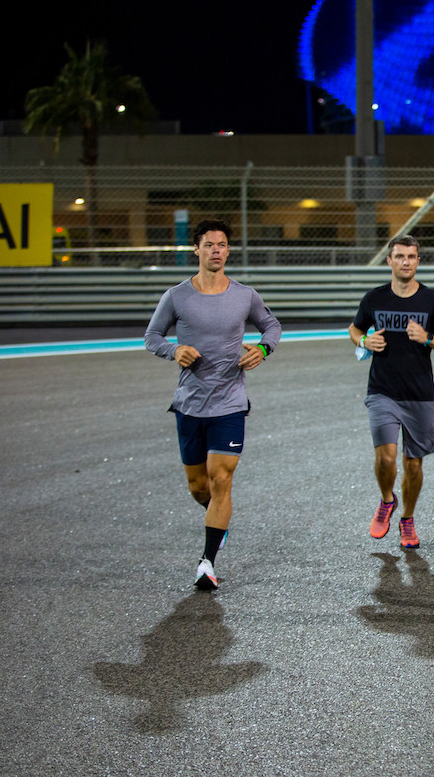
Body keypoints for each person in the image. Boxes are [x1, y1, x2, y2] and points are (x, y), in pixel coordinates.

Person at [145, 219, 282, 591]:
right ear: (197, 249)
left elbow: (272, 327)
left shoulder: (244, 295)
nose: (216, 250)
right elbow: (152, 336)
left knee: (221, 479)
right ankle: (217, 523)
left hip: (230, 403)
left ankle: (207, 562)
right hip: (190, 404)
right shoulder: (177, 296)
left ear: (228, 250)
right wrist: (174, 350)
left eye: (222, 244)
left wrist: (263, 349)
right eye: (209, 245)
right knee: (198, 486)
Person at [349, 234, 434, 549]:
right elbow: (355, 328)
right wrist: (363, 341)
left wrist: (427, 339)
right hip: (382, 390)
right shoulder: (374, 298)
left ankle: (407, 519)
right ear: (390, 261)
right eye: (399, 256)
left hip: (419, 393)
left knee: (413, 464)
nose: (405, 262)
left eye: (411, 256)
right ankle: (387, 499)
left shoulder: (432, 300)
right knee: (386, 458)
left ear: (418, 261)